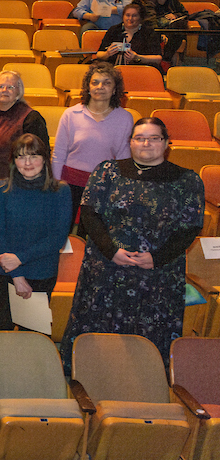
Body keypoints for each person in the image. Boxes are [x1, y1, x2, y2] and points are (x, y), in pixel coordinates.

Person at [60, 117, 204, 367]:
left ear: (166, 143)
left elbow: (190, 227)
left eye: (154, 138)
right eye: (139, 138)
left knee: (147, 342)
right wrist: (111, 250)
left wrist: (157, 258)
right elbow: (90, 215)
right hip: (106, 268)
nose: (146, 143)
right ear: (130, 142)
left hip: (157, 274)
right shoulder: (107, 171)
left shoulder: (187, 180)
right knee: (98, 335)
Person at [0, 134, 73, 332]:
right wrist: (17, 275)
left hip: (41, 272)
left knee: (34, 337)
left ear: (44, 159)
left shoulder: (60, 191)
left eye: (33, 156)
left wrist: (20, 259)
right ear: (13, 161)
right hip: (4, 272)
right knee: (1, 335)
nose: (27, 163)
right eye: (21, 157)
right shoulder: (2, 189)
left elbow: (58, 238)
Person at [52, 62, 131, 213]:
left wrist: (120, 188)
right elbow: (59, 153)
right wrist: (55, 184)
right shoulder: (70, 114)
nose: (100, 87)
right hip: (69, 183)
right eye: (95, 82)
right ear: (88, 87)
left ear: (115, 89)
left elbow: (123, 157)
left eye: (106, 83)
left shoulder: (125, 118)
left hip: (104, 185)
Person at [0, 69, 50, 181]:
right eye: (0, 86)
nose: (4, 90)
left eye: (10, 87)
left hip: (14, 182)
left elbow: (41, 154)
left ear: (19, 91)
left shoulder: (31, 118)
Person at [150, 0, 218, 62]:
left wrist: (175, 15)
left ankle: (167, 58)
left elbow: (185, 14)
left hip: (172, 27)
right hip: (158, 28)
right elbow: (151, 20)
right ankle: (166, 58)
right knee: (178, 29)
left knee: (181, 25)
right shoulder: (151, 2)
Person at [95, 2, 163, 69]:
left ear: (140, 18)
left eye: (134, 16)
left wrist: (137, 57)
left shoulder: (148, 32)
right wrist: (107, 54)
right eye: (127, 15)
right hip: (113, 69)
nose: (130, 18)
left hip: (140, 69)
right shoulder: (114, 30)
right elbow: (99, 54)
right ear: (123, 17)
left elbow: (158, 59)